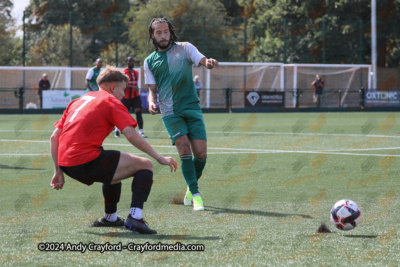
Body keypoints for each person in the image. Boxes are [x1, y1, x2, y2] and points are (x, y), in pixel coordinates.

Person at [50, 66, 177, 234]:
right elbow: (131, 134)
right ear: (112, 87)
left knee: (114, 168)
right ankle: (135, 217)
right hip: (84, 160)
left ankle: (110, 218)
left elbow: (54, 137)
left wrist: (58, 171)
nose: (124, 95)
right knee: (145, 164)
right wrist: (158, 157)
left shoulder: (79, 100)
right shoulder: (111, 101)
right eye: (123, 90)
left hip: (65, 164)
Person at [144, 18, 218, 211]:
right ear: (152, 35)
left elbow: (202, 60)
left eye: (166, 31)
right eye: (158, 32)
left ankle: (189, 189)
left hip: (192, 107)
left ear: (170, 32)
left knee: (201, 155)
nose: (163, 35)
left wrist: (208, 63)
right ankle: (196, 196)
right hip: (169, 111)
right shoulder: (149, 61)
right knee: (184, 150)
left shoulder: (185, 48)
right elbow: (152, 89)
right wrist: (151, 102)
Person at [114, 56, 147, 138]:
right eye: (130, 61)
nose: (132, 63)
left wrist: (135, 87)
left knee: (138, 112)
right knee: (121, 114)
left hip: (135, 96)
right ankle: (116, 130)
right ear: (127, 63)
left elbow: (135, 84)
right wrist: (132, 86)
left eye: (133, 61)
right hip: (125, 97)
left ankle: (141, 132)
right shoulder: (123, 72)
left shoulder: (136, 72)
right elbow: (121, 85)